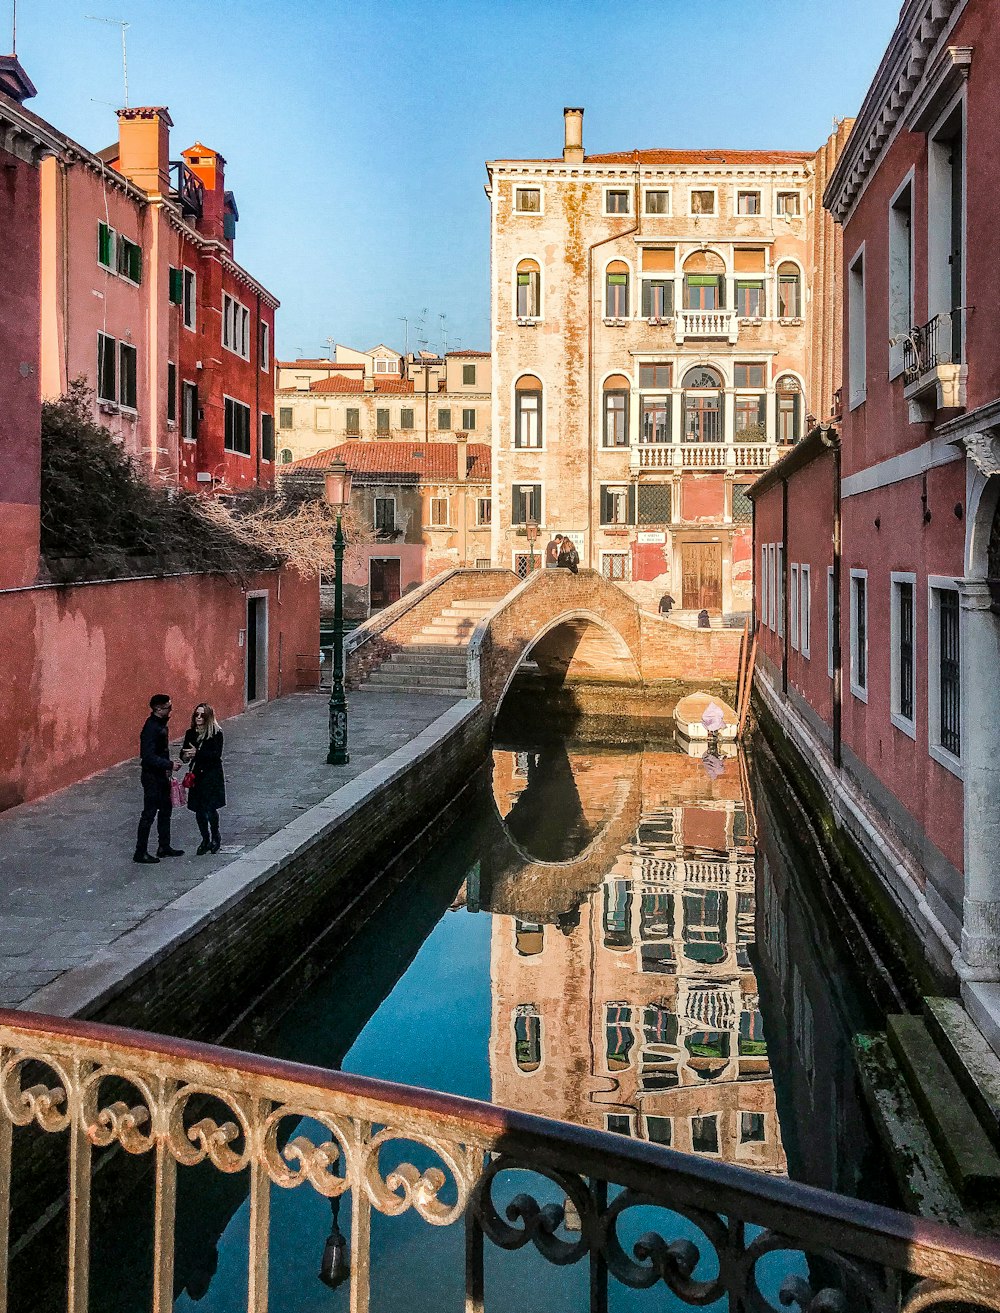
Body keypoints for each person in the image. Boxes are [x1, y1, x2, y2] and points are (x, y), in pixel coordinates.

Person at [134, 693, 183, 863]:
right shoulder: (151, 728)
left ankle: (164, 846)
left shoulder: (160, 725)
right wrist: (169, 765)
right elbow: (148, 756)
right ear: (158, 709)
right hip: (151, 777)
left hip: (161, 775)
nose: (171, 710)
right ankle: (140, 852)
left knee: (165, 810)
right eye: (168, 707)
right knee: (149, 814)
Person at [181, 703, 226, 855]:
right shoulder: (190, 733)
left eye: (202, 715)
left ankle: (215, 836)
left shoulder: (216, 734)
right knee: (199, 810)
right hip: (197, 776)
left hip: (211, 775)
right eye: (196, 715)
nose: (198, 718)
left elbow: (216, 755)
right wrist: (185, 756)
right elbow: (185, 753)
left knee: (210, 808)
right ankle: (205, 839)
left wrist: (197, 753)